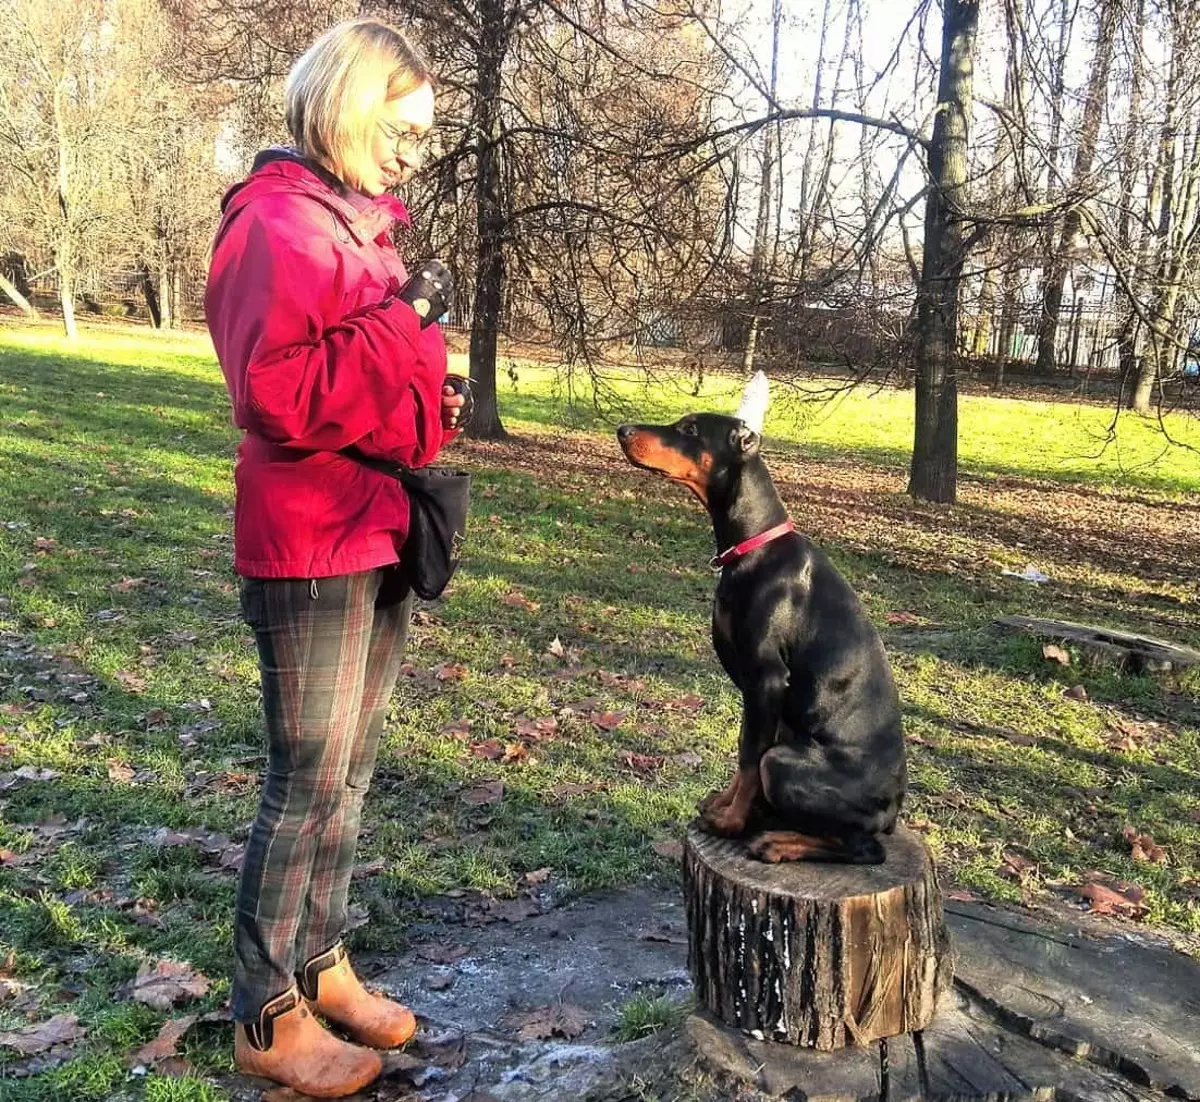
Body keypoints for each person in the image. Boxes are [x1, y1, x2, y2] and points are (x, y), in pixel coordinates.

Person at [204, 17, 464, 1098]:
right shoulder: (276, 226)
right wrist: (404, 333)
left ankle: (324, 963)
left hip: (373, 524)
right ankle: (266, 1012)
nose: (413, 152)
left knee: (348, 775)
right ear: (345, 105)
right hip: (309, 534)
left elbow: (374, 366)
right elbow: (275, 392)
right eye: (402, 129)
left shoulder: (358, 224)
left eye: (424, 136)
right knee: (304, 777)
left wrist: (425, 380)